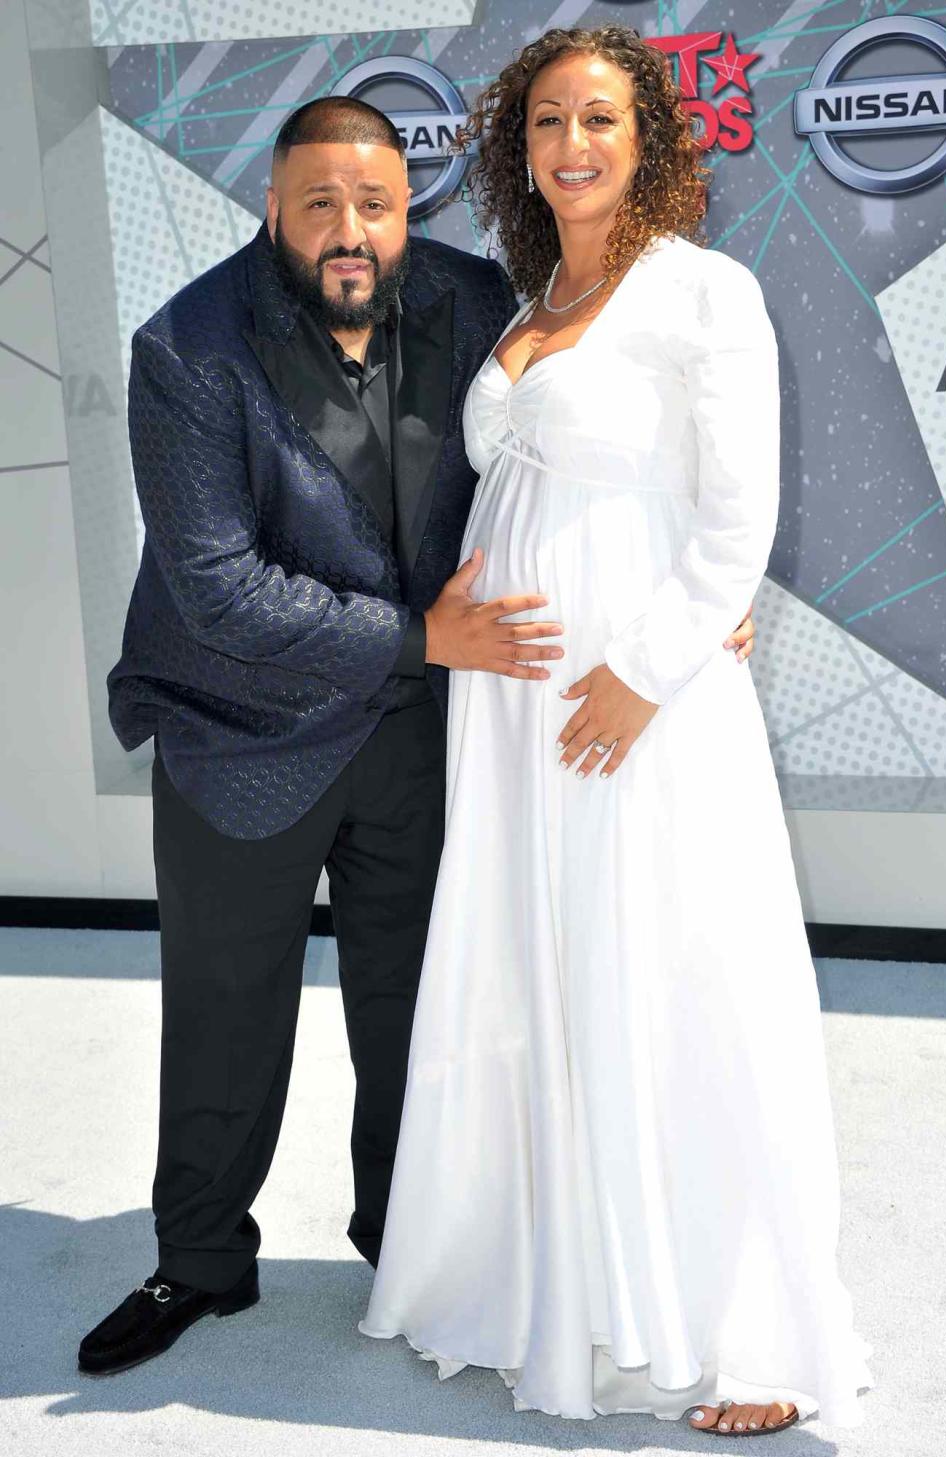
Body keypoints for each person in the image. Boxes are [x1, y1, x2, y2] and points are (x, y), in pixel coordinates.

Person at [76, 90, 763, 1377]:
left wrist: (704, 593)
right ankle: (201, 1259)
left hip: (421, 738)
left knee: (422, 1015)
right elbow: (218, 589)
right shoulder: (186, 349)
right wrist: (418, 638)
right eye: (320, 203)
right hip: (242, 734)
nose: (350, 229)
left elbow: (608, 434)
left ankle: (411, 1248)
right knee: (226, 1016)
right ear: (271, 206)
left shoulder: (476, 303)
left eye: (376, 204)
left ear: (411, 210)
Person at [359, 25, 873, 1435]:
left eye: (595, 117)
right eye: (541, 124)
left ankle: (740, 1330)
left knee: (675, 972)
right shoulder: (531, 304)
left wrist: (644, 671)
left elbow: (735, 515)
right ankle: (558, 1285)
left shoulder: (702, 294)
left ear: (647, 134)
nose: (567, 144)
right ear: (518, 151)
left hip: (634, 705)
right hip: (513, 715)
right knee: (542, 970)